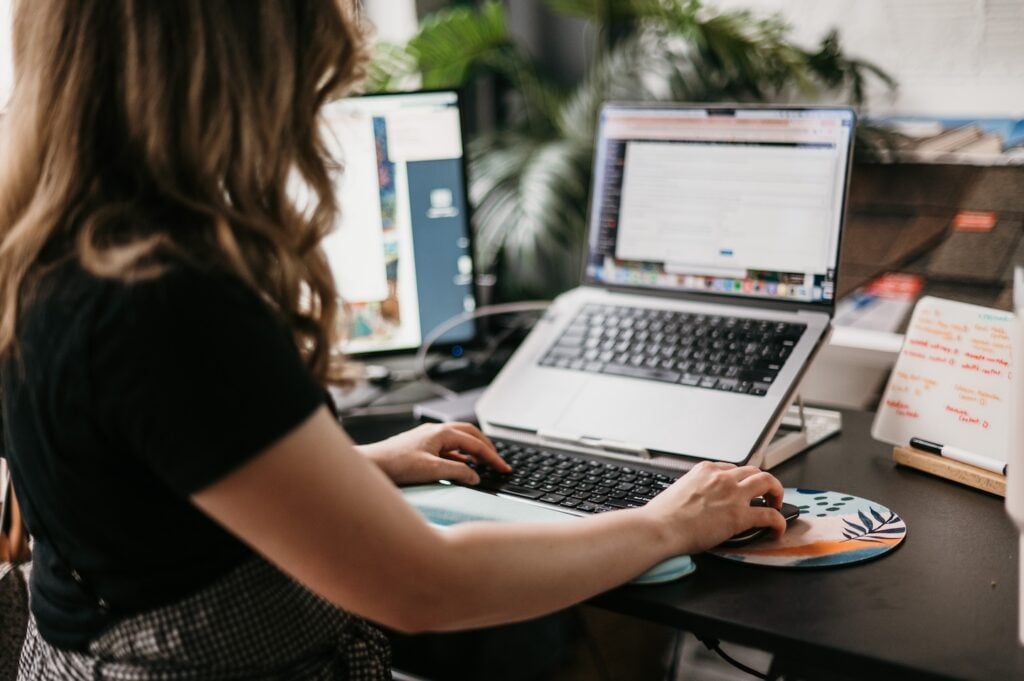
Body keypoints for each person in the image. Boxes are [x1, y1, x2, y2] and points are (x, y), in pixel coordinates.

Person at [0, 1, 788, 679]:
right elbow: (424, 586)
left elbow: (145, 497)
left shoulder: (50, 244)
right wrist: (670, 521)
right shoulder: (169, 302)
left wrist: (357, 467)